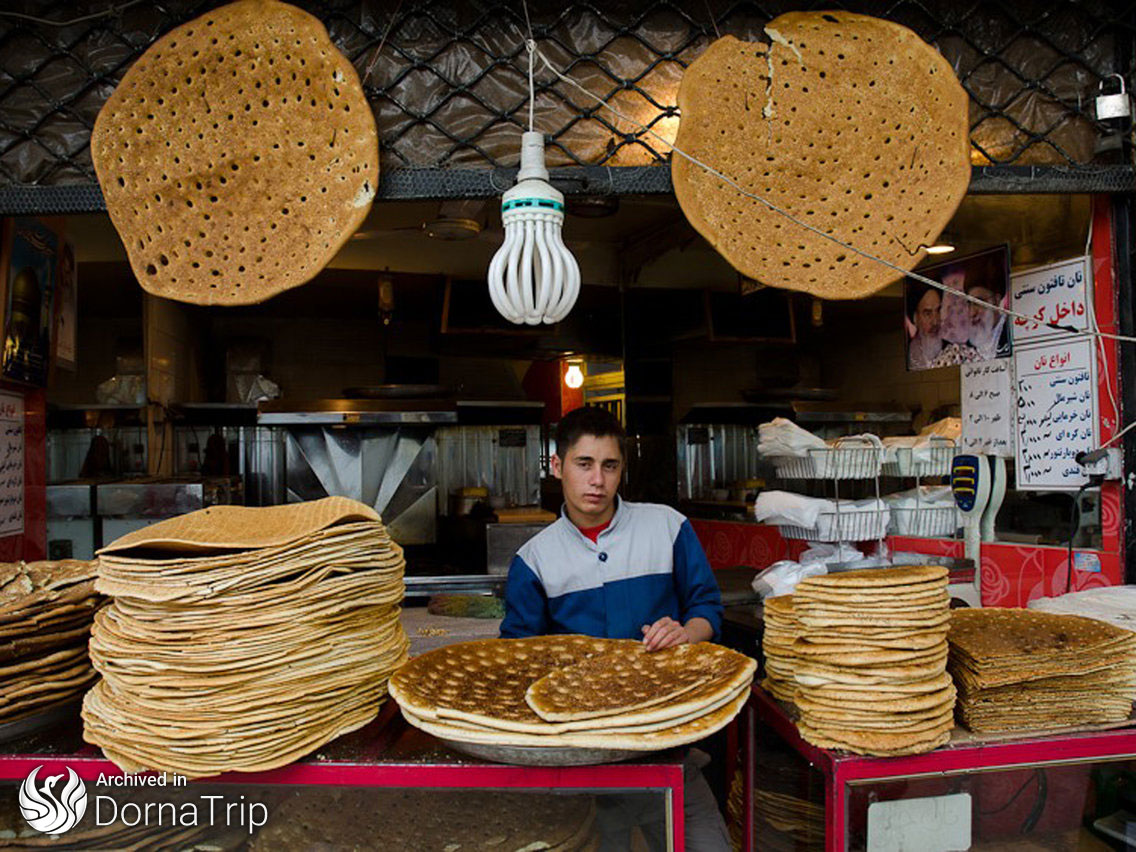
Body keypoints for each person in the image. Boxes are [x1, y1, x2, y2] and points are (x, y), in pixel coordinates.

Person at [501, 405, 728, 851]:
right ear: (557, 466)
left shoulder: (667, 526)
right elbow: (519, 663)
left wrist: (686, 632)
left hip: (670, 746)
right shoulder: (534, 560)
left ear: (623, 468)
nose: (597, 481)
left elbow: (707, 609)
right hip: (583, 767)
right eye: (584, 464)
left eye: (610, 466)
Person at [964, 278, 1011, 360]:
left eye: (978, 303)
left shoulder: (1011, 334)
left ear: (996, 301)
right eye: (969, 304)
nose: (972, 313)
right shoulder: (967, 347)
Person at [905, 281, 943, 370]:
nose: (935, 322)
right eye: (928, 313)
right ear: (915, 318)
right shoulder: (908, 355)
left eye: (938, 311)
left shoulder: (953, 349)